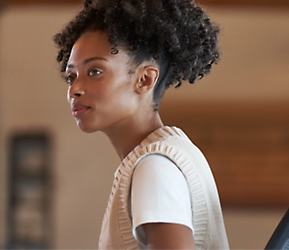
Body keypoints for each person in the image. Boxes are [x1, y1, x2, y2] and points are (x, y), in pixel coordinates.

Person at [53, 0, 229, 249]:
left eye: (94, 71)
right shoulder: (167, 154)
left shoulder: (156, 167)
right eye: (71, 76)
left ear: (145, 80)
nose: (75, 89)